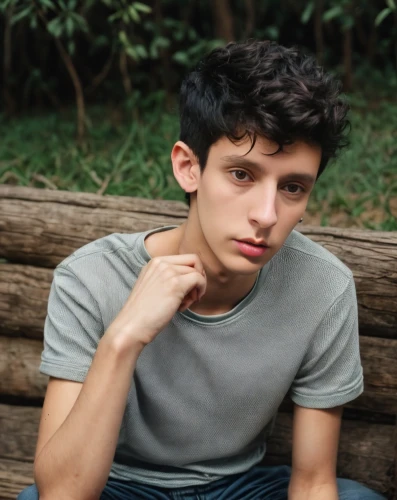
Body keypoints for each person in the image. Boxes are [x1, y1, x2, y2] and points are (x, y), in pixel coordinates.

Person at [18, 40, 385, 500]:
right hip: (119, 485)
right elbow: (62, 493)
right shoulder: (90, 278)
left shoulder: (321, 288)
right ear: (189, 167)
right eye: (242, 175)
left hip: (242, 488)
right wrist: (124, 336)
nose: (267, 215)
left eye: (292, 187)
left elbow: (313, 481)